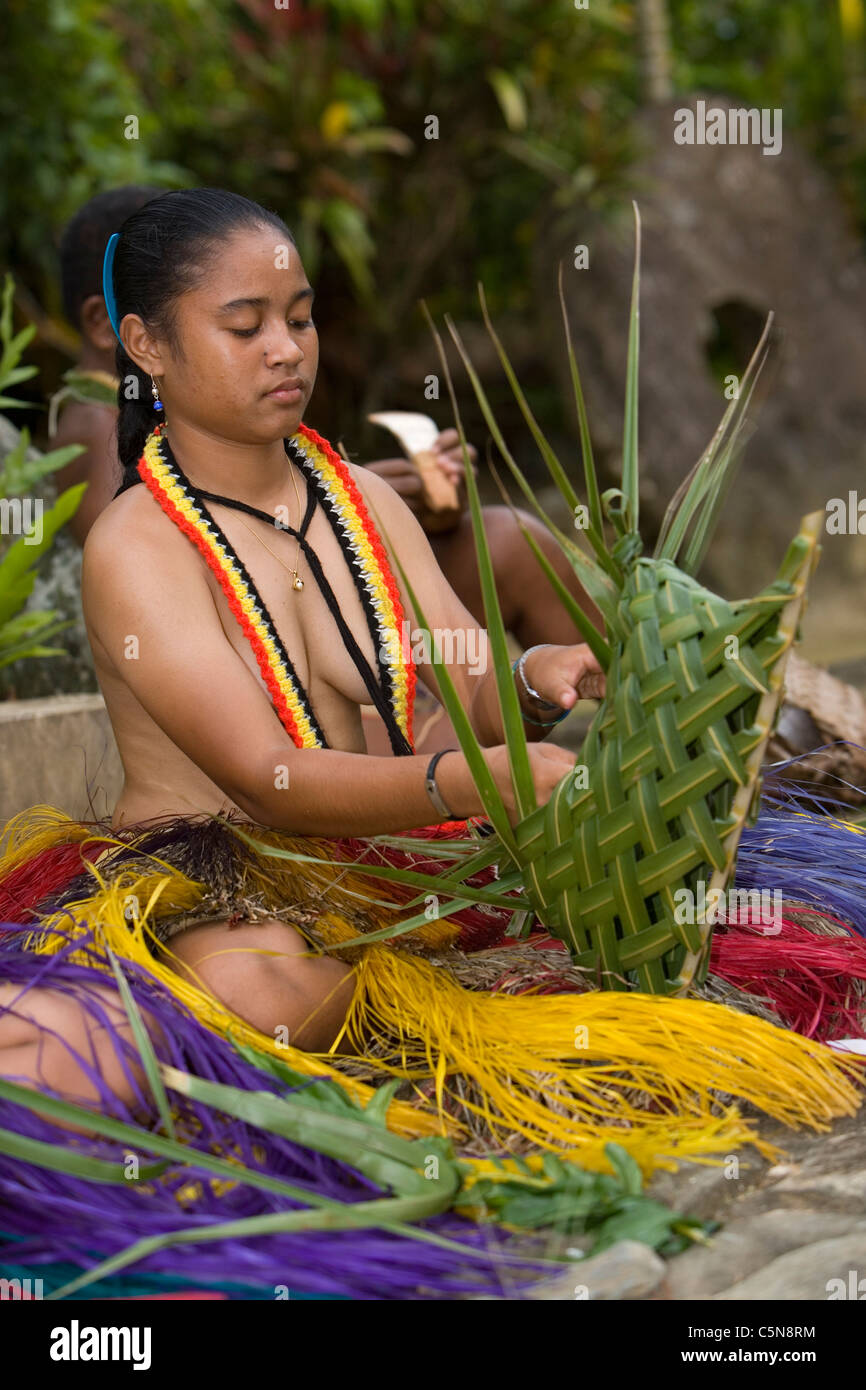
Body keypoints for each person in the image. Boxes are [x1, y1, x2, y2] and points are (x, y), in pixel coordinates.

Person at [51, 188, 601, 755]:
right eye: (245, 327)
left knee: (511, 542)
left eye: (301, 319)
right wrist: (453, 782)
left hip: (361, 827)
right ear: (144, 341)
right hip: (218, 840)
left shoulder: (364, 499)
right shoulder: (134, 538)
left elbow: (477, 694)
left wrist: (537, 680)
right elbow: (271, 779)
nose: (287, 349)